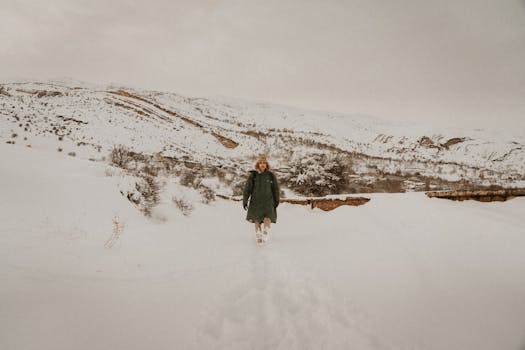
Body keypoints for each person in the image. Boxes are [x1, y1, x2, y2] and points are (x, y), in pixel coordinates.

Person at [242, 155, 280, 244]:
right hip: (256, 200)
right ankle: (258, 235)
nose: (262, 165)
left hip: (268, 200)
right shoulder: (253, 175)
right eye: (260, 163)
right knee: (257, 219)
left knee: (268, 217)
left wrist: (276, 199)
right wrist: (245, 200)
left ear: (267, 165)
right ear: (257, 164)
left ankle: (265, 231)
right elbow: (247, 189)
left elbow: (275, 189)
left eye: (264, 163)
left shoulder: (271, 175)